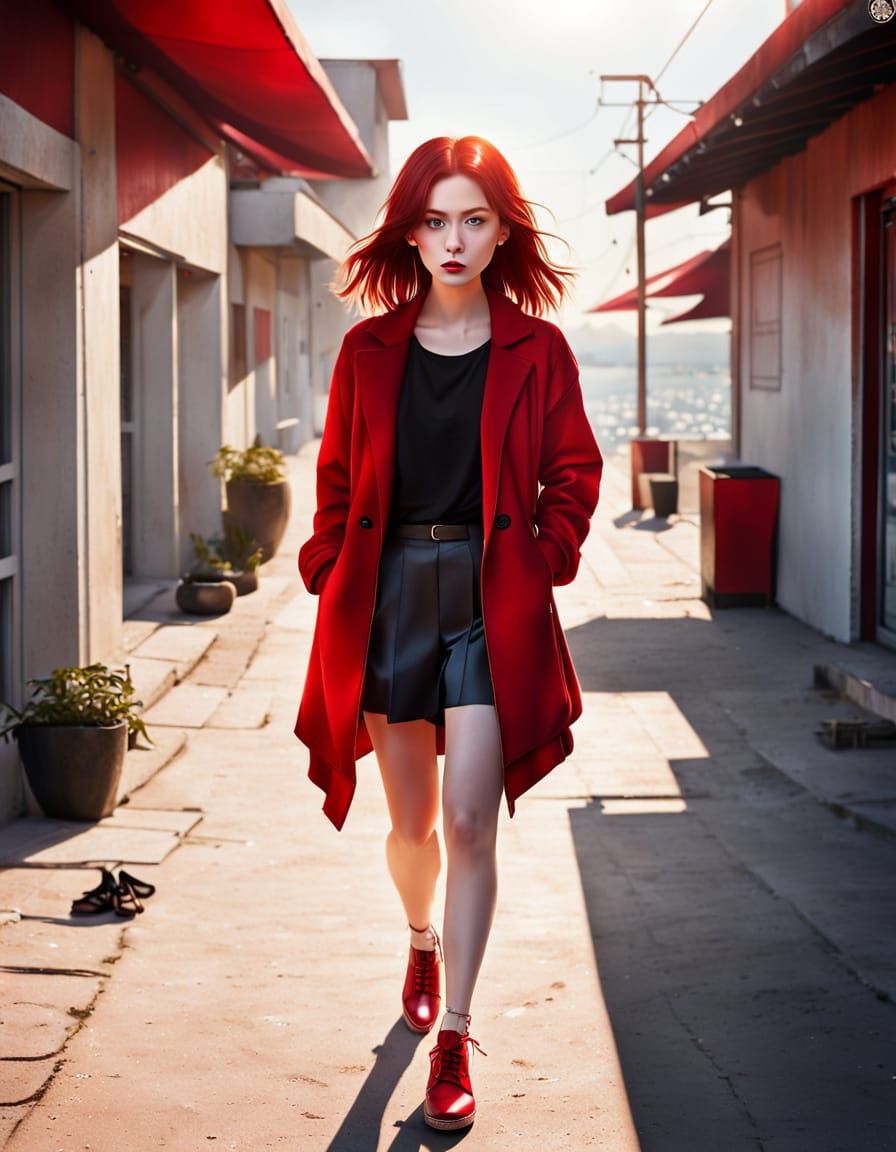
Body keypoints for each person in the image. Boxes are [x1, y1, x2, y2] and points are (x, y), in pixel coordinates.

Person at [295, 136, 602, 1131]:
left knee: (472, 819)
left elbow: (574, 471)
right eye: (433, 220)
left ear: (502, 229)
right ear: (411, 231)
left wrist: (545, 555)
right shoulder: (365, 350)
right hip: (387, 597)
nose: (452, 239)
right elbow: (338, 477)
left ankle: (455, 1032)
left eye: (473, 218)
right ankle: (420, 937)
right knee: (412, 826)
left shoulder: (537, 349)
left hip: (486, 595)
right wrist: (324, 560)